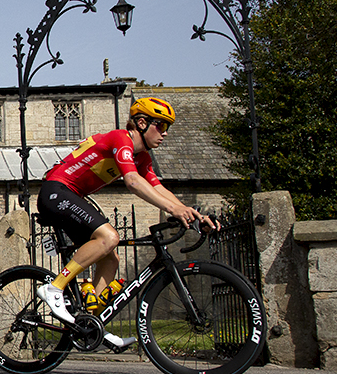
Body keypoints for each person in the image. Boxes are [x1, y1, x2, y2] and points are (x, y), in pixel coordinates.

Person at [35, 97, 217, 350]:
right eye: (161, 126)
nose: (164, 134)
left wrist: (189, 212)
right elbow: (132, 182)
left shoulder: (143, 158)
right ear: (141, 123)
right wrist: (173, 209)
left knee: (111, 258)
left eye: (167, 128)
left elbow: (157, 186)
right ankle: (54, 288)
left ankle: (89, 322)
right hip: (56, 190)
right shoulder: (121, 139)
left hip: (71, 196)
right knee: (109, 238)